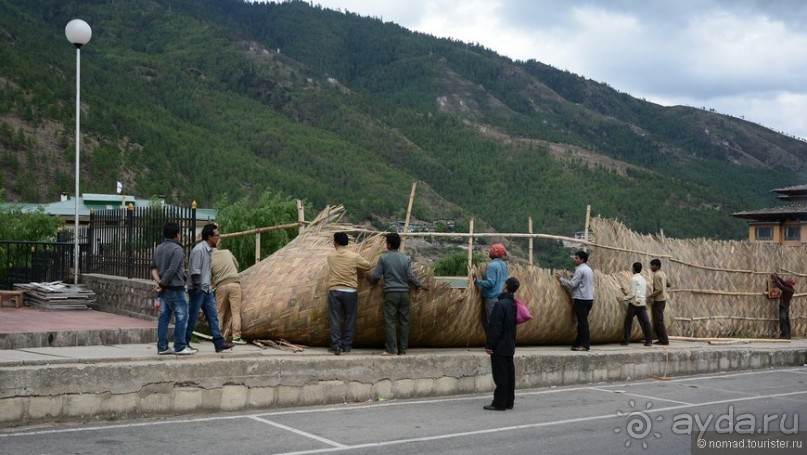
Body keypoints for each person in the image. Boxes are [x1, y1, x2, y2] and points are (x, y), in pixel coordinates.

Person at [369, 232, 429, 356]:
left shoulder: (383, 258)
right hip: (404, 294)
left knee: (390, 321)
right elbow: (410, 276)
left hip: (391, 293)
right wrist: (421, 285)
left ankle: (392, 349)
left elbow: (375, 277)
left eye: (386, 243)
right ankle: (402, 349)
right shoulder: (405, 258)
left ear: (389, 245)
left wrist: (367, 277)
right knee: (404, 321)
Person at [188, 223, 234, 353]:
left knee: (213, 316)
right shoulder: (199, 250)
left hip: (206, 289)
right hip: (198, 289)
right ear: (209, 237)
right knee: (192, 317)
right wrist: (197, 290)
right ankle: (184, 342)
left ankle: (219, 342)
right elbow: (195, 271)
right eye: (217, 236)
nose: (218, 238)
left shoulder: (208, 250)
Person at [150, 221, 193, 355]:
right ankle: (180, 346)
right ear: (176, 234)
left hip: (164, 290)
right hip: (175, 288)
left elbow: (153, 268)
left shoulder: (159, 248)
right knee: (182, 316)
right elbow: (172, 270)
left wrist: (159, 283)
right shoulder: (177, 249)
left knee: (164, 318)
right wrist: (162, 284)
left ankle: (162, 346)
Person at [326, 232, 371, 355]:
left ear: (336, 242)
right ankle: (346, 346)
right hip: (350, 292)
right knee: (350, 319)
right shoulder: (354, 256)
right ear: (347, 243)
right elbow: (368, 266)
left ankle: (336, 346)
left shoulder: (330, 256)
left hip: (335, 291)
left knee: (335, 319)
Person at [484, 277, 519, 411]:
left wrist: (489, 345)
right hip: (509, 344)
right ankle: (509, 401)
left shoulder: (500, 304)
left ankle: (499, 403)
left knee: (501, 375)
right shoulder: (513, 304)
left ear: (505, 287)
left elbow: (495, 327)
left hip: (499, 345)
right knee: (509, 374)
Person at [555, 250, 594, 352]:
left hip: (581, 299)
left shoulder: (580, 270)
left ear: (582, 260)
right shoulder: (589, 269)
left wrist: (561, 279)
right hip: (589, 298)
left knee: (583, 323)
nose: (574, 259)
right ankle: (577, 343)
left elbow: (572, 285)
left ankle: (585, 345)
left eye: (576, 258)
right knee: (582, 322)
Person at [211, 246, 246, 345]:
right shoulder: (227, 252)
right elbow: (237, 265)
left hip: (221, 286)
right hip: (234, 283)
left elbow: (210, 276)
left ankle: (218, 336)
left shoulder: (209, 259)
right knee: (235, 311)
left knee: (219, 312)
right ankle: (236, 336)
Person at [473, 243, 509, 326]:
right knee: (501, 323)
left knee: (493, 323)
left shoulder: (492, 266)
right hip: (502, 297)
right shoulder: (505, 265)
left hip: (492, 298)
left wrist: (477, 281)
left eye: (491, 250)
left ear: (495, 253)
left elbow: (490, 283)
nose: (489, 252)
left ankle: (494, 338)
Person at [621, 262, 652, 347]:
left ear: (633, 269)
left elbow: (632, 294)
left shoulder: (633, 279)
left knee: (628, 322)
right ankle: (649, 341)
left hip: (634, 304)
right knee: (645, 322)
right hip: (641, 303)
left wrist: (623, 299)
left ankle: (626, 340)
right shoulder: (643, 279)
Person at [647, 258, 670, 345]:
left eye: (652, 265)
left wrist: (649, 296)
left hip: (658, 300)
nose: (651, 267)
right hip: (663, 300)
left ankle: (664, 340)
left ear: (657, 266)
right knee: (659, 320)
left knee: (658, 321)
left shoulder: (656, 275)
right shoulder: (663, 273)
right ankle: (662, 339)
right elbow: (669, 284)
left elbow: (659, 290)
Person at [771, 273, 795, 339]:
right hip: (786, 306)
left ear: (789, 284)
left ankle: (785, 335)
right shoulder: (790, 288)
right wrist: (777, 277)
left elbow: (781, 286)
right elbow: (783, 283)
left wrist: (775, 279)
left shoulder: (789, 290)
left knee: (783, 320)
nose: (786, 283)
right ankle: (788, 335)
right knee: (786, 320)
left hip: (784, 306)